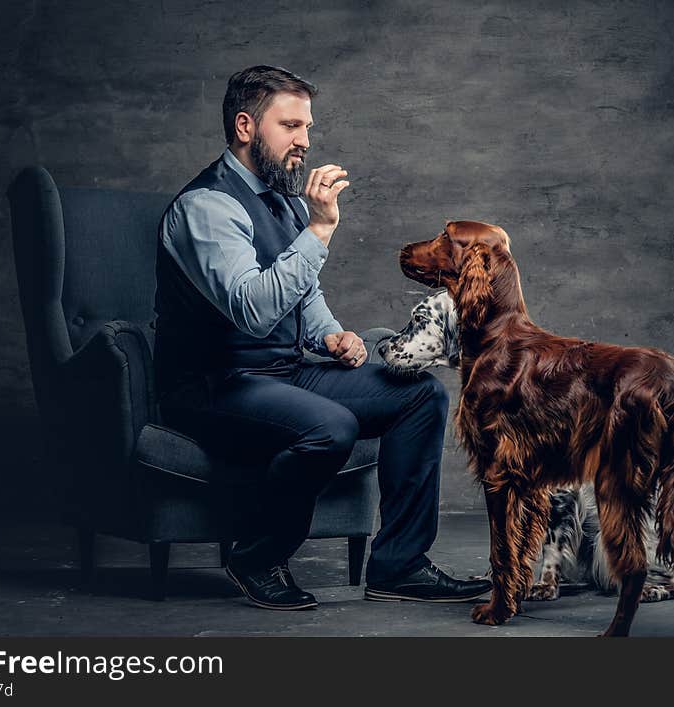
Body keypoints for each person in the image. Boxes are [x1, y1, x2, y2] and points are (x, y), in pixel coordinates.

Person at [153, 65, 491, 610]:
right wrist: (320, 229)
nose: (304, 142)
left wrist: (333, 334)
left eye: (306, 127)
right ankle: (257, 555)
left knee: (420, 395)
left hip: (282, 372)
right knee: (332, 427)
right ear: (245, 126)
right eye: (290, 126)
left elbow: (300, 292)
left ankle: (398, 565)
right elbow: (253, 310)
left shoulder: (282, 200)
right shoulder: (206, 207)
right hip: (212, 384)